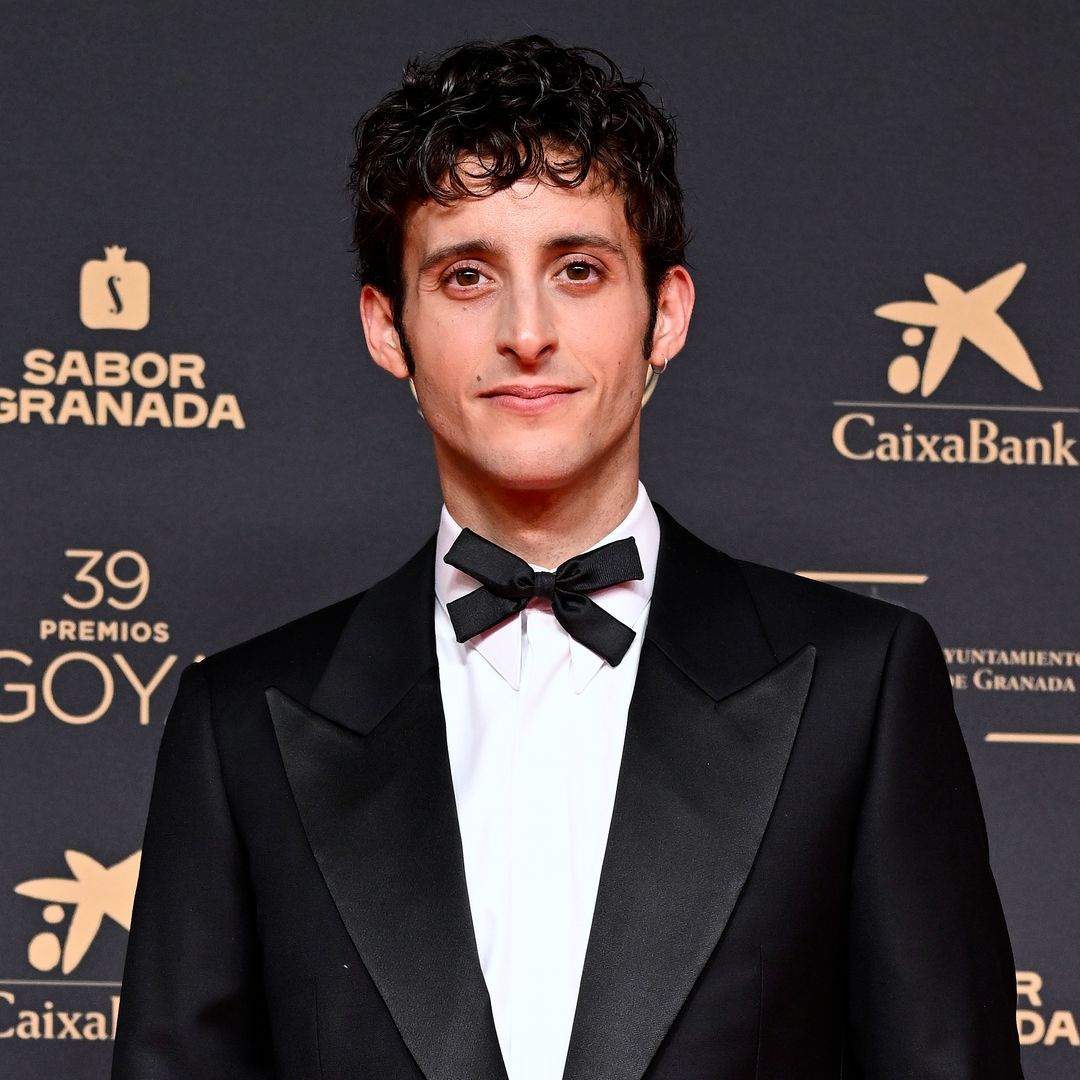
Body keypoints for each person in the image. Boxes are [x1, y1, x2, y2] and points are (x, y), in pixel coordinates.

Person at [112, 35, 1022, 1080]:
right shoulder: (242, 727)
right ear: (386, 327)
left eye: (578, 269)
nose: (527, 331)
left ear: (664, 314)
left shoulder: (860, 691)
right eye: (466, 277)